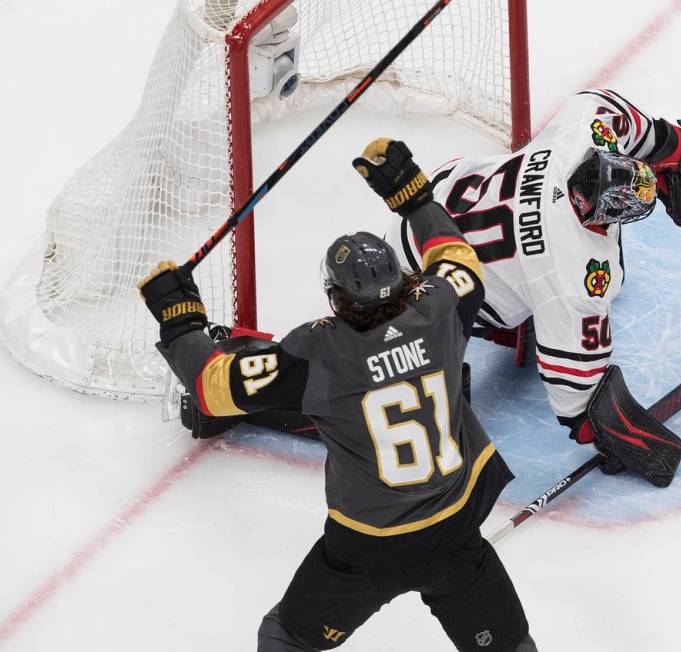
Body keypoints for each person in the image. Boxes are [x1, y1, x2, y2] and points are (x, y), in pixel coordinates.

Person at [138, 138, 537, 651]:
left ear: (335, 296)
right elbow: (458, 261)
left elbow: (215, 389)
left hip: (366, 549)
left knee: (285, 638)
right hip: (456, 532)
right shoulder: (440, 310)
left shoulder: (318, 354)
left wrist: (181, 322)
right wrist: (412, 197)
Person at [385, 88, 681, 485]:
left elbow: (609, 107)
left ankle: (517, 293)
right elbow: (579, 406)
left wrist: (670, 145)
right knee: (535, 299)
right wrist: (634, 445)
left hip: (433, 200)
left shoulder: (582, 131)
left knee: (547, 277)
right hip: (417, 281)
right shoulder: (573, 277)